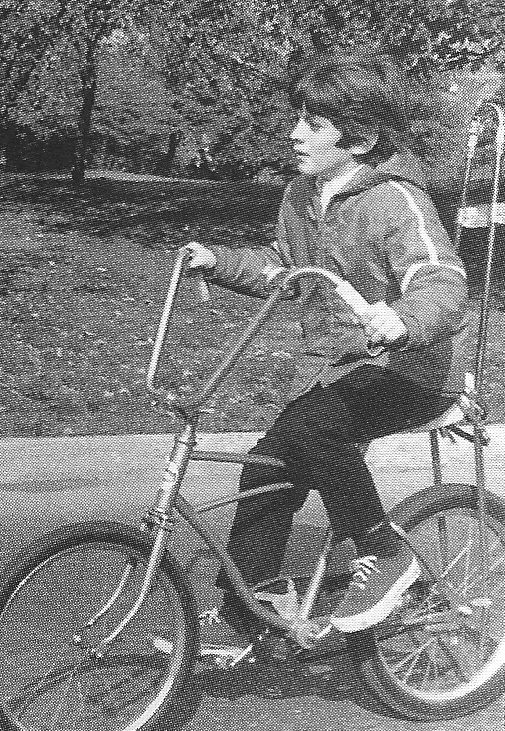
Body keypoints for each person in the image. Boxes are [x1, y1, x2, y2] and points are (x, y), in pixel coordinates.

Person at [183, 53, 472, 650]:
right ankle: (251, 606)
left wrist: (401, 317)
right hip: (342, 371)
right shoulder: (300, 196)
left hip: (414, 369)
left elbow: (441, 279)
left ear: (359, 139)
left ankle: (385, 552)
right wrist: (218, 262)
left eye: (314, 124)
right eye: (299, 119)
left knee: (315, 431)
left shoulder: (395, 201)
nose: (295, 134)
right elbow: (283, 270)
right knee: (265, 466)